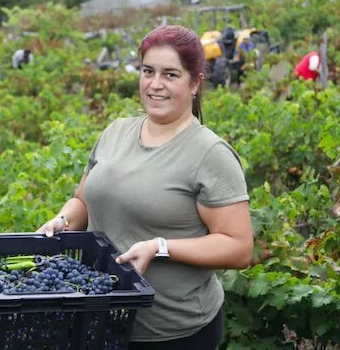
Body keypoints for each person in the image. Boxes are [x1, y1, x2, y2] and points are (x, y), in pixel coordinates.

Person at [37, 25, 254, 349]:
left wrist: (159, 247)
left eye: (170, 75)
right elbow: (83, 200)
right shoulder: (116, 131)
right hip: (102, 317)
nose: (155, 84)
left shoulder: (209, 154)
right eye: (148, 71)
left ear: (195, 83)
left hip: (173, 333)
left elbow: (239, 248)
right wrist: (63, 220)